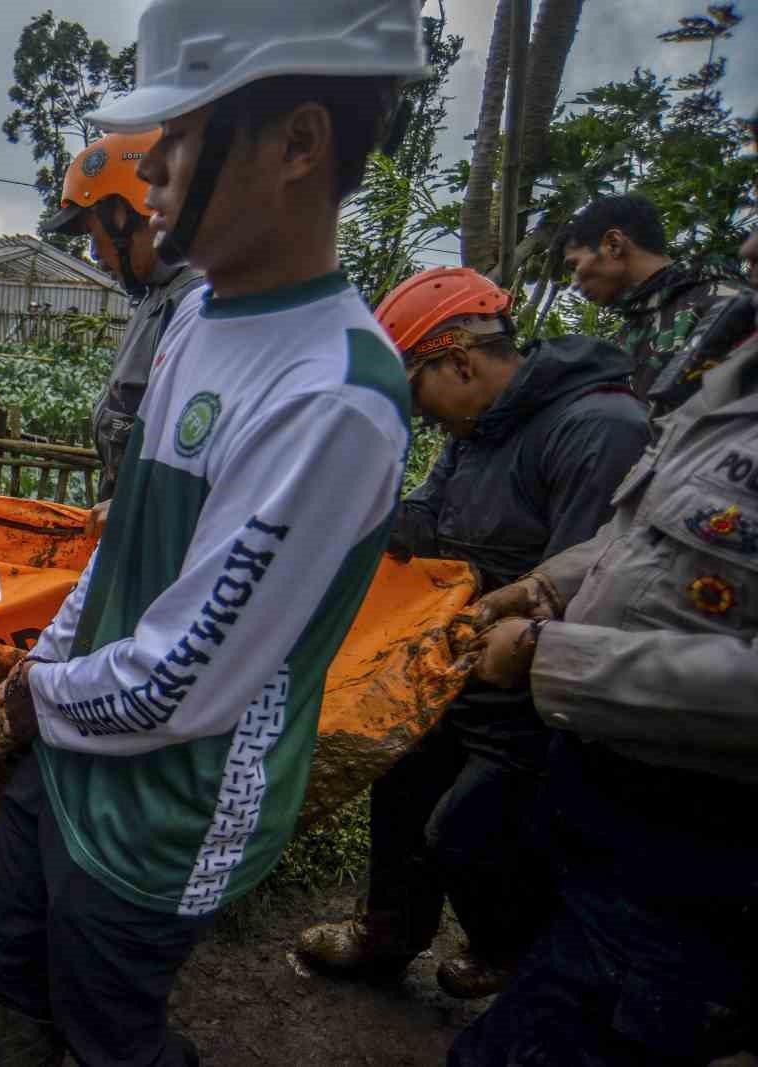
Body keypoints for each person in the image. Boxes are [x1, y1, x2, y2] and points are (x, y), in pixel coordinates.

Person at [0, 1, 428, 1063]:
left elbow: (180, 683)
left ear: (298, 142)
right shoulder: (199, 319)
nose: (155, 169)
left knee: (108, 1032)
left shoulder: (332, 393)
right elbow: (124, 543)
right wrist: (45, 662)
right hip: (82, 739)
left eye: (179, 135)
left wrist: (41, 696)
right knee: (0, 942)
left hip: (171, 805)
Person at [449, 190, 758, 1065]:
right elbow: (644, 528)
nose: (747, 243)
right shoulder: (730, 369)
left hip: (699, 834)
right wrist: (545, 584)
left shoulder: (685, 339)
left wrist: (551, 658)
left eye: (582, 255)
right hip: (612, 791)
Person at [295, 267, 649, 999]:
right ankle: (389, 933)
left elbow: (597, 582)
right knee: (400, 783)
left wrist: (525, 637)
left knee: (467, 829)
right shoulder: (477, 428)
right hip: (458, 660)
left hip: (533, 687)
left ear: (458, 360)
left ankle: (509, 949)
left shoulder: (598, 428)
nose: (422, 417)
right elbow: (428, 522)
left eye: (417, 391)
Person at [40, 130, 206, 531]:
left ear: (124, 215)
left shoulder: (201, 305)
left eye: (92, 234)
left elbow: (217, 462)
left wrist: (144, 509)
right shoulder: (155, 299)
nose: (95, 254)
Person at [558, 192, 750, 405]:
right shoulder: (632, 331)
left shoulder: (728, 304)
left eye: (574, 265)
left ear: (614, 244)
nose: (574, 283)